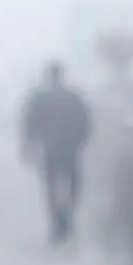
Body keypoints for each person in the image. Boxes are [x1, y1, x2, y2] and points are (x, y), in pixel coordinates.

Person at [21, 60, 92, 245]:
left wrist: (29, 145)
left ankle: (57, 224)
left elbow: (30, 123)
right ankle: (67, 217)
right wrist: (81, 141)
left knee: (51, 187)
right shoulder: (74, 97)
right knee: (74, 185)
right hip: (71, 149)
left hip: (51, 149)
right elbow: (86, 121)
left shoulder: (40, 97)